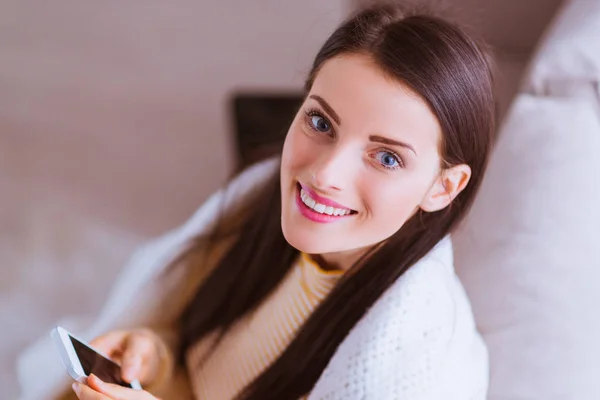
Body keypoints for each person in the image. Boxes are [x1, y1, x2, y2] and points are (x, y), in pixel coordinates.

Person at [70, 3, 495, 399]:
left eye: (386, 158)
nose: (325, 175)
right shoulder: (256, 202)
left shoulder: (414, 355)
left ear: (444, 187)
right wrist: (152, 357)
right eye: (320, 122)